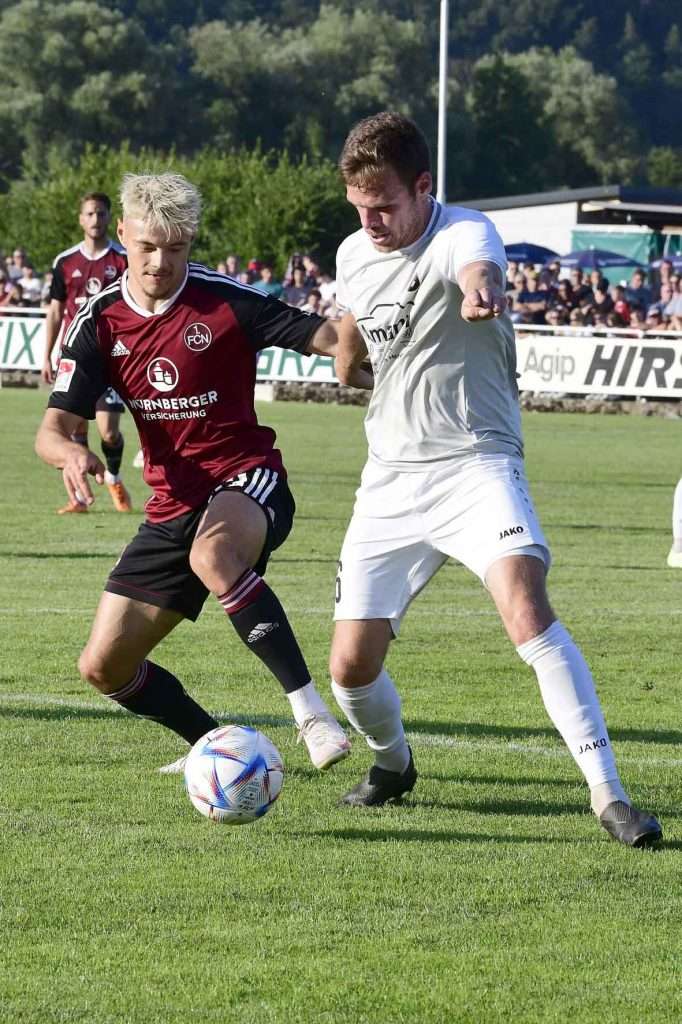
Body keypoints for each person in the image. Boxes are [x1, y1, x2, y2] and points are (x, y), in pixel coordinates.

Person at [328, 111, 661, 847]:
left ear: (424, 186)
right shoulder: (355, 251)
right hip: (389, 478)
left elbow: (479, 270)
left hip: (477, 463)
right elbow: (352, 323)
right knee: (350, 669)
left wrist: (483, 294)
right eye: (360, 208)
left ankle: (609, 797)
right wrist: (347, 361)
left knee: (525, 607)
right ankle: (393, 764)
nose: (373, 221)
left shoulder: (464, 232)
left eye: (385, 205)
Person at [35, 171, 351, 775]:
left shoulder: (223, 300)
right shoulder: (100, 322)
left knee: (213, 556)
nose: (160, 262)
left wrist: (360, 338)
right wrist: (70, 453)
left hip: (246, 479)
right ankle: (217, 745)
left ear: (191, 243)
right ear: (123, 234)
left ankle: (310, 713)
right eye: (148, 246)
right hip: (171, 505)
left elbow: (328, 337)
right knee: (104, 667)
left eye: (176, 249)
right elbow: (51, 431)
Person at [41, 191, 132, 514]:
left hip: (110, 358)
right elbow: (55, 312)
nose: (95, 220)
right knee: (75, 430)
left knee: (109, 432)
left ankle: (114, 477)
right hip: (74, 357)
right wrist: (47, 356)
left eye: (101, 213)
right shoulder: (65, 262)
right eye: (90, 214)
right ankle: (79, 498)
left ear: (110, 218)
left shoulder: (122, 260)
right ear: (81, 219)